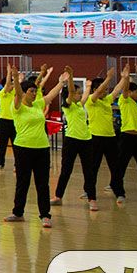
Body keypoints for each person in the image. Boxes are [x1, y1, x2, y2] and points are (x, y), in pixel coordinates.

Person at [4, 65, 63, 227]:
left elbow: (51, 95)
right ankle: (18, 213)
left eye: (35, 91)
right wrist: (16, 78)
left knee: (42, 183)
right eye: (31, 91)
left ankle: (45, 215)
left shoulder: (37, 105)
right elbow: (17, 93)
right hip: (23, 149)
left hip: (42, 149)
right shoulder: (17, 107)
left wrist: (62, 82)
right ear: (24, 93)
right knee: (23, 182)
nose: (35, 93)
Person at [52, 69, 95, 209]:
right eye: (78, 92)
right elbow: (70, 92)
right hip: (71, 140)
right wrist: (70, 78)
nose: (80, 94)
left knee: (89, 170)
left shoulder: (79, 105)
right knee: (66, 170)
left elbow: (85, 97)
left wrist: (88, 87)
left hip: (86, 140)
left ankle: (92, 198)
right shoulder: (68, 105)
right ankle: (58, 196)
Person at [85, 67, 124, 209]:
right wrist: (108, 78)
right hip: (95, 138)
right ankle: (90, 194)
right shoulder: (91, 100)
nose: (106, 91)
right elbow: (99, 92)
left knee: (115, 167)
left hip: (110, 138)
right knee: (93, 168)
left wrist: (124, 78)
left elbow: (116, 91)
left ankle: (119, 192)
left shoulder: (107, 100)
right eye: (103, 89)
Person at [0, 70, 16, 172]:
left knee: (16, 144)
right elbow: (7, 85)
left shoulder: (15, 93)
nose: (12, 85)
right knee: (2, 144)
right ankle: (0, 164)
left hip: (15, 122)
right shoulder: (2, 93)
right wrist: (8, 73)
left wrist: (16, 77)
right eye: (10, 83)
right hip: (4, 122)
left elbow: (18, 84)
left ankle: (17, 164)